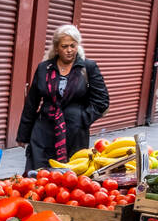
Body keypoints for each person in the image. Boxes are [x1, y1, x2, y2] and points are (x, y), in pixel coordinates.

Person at [15, 25, 109, 172]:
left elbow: (102, 101)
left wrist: (82, 119)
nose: (69, 50)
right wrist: (23, 134)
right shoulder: (44, 68)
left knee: (69, 176)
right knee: (38, 173)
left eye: (73, 45)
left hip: (74, 133)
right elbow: (32, 103)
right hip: (43, 130)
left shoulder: (88, 67)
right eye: (64, 46)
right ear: (56, 48)